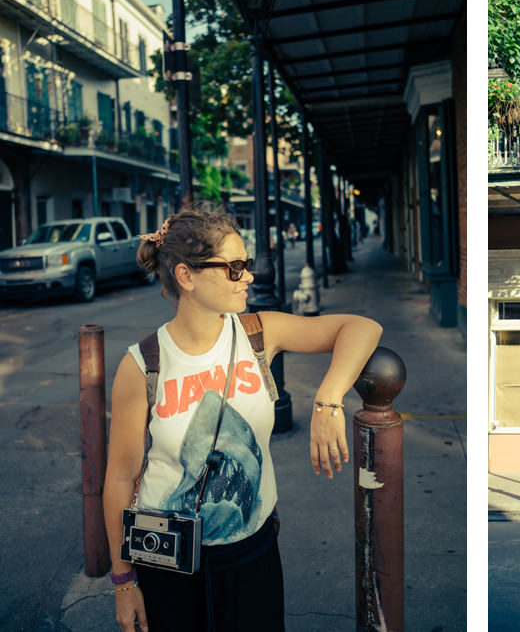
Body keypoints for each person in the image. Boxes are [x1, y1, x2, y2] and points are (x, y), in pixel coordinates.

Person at [102, 204, 382, 632]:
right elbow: (120, 478)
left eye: (246, 265)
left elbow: (362, 328)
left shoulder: (257, 332)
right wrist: (123, 584)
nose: (248, 276)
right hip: (168, 557)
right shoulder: (142, 365)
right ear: (186, 276)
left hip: (252, 549)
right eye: (234, 268)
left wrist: (328, 401)